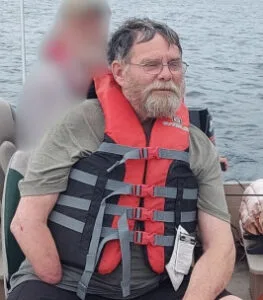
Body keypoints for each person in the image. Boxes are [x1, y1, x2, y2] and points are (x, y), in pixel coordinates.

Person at [9, 18, 241, 300]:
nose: (166, 74)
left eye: (174, 64)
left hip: (158, 287)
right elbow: (26, 221)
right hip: (65, 284)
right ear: (119, 72)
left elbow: (221, 247)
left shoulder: (196, 144)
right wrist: (52, 275)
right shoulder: (79, 124)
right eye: (152, 64)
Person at [16, 0, 111, 150]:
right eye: (87, 26)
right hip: (57, 158)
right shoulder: (49, 80)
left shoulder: (101, 67)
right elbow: (46, 143)